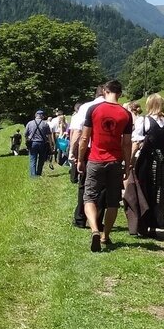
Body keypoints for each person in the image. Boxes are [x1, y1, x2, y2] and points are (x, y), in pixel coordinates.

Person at [77, 80, 132, 252]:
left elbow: (85, 138)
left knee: (89, 198)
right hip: (115, 161)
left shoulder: (94, 110)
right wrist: (128, 165)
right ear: (120, 94)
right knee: (113, 201)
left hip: (95, 159)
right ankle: (105, 236)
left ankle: (94, 229)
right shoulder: (126, 114)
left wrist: (80, 159)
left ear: (104, 91)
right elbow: (127, 143)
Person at [128, 93, 164, 238]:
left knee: (144, 190)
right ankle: (156, 223)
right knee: (161, 192)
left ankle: (145, 223)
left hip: (146, 161)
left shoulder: (144, 121)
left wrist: (130, 162)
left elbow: (136, 144)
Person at [69, 89, 106, 226]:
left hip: (88, 148)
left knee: (84, 184)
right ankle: (97, 219)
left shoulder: (85, 107)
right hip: (107, 149)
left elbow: (78, 132)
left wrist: (73, 152)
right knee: (103, 186)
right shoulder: (115, 108)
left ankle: (80, 217)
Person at [24, 110, 53, 177]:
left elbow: (25, 134)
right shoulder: (45, 124)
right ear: (42, 116)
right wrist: (51, 146)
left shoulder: (29, 123)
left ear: (35, 115)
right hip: (42, 143)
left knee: (33, 159)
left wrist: (27, 142)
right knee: (41, 159)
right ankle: (39, 173)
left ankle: (33, 175)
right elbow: (49, 136)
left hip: (32, 143)